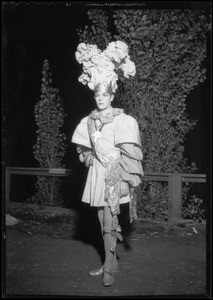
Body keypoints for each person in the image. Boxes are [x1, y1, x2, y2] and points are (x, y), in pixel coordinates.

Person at [71, 41, 144, 287]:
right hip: (97, 175)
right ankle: (109, 262)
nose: (101, 98)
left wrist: (124, 179)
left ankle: (108, 270)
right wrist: (89, 157)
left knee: (110, 223)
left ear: (113, 94)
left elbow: (129, 154)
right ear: (94, 94)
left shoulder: (123, 120)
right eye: (97, 94)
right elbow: (84, 149)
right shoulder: (88, 120)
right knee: (101, 220)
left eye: (106, 94)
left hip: (114, 175)